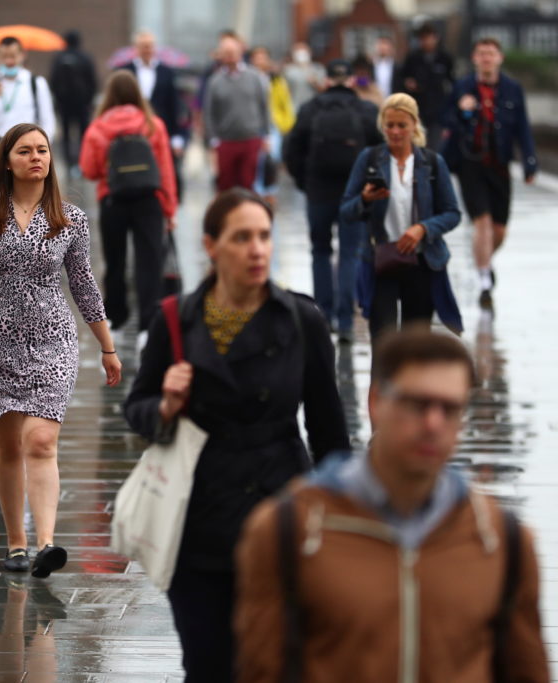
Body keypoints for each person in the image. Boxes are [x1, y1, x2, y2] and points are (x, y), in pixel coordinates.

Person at [123, 189, 349, 682]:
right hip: (199, 522)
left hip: (281, 512)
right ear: (211, 245)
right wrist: (165, 405)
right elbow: (135, 408)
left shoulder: (302, 320)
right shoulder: (175, 319)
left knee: (281, 665)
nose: (257, 249)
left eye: (265, 236)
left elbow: (330, 431)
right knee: (208, 667)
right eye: (242, 237)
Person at [236, 329, 550, 683]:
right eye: (417, 404)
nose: (433, 423)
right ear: (377, 402)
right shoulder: (291, 530)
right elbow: (261, 670)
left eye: (449, 409)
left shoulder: (499, 540)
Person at [0, 123, 121, 579]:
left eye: (42, 150)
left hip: (53, 336)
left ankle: (46, 543)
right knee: (7, 446)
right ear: (8, 160)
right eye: (24, 151)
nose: (36, 157)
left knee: (41, 439)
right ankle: (16, 542)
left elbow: (84, 284)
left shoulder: (70, 218)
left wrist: (107, 347)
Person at [340, 93, 462, 342]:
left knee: (414, 344)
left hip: (421, 262)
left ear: (414, 125)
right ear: (382, 126)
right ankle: (378, 383)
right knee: (383, 341)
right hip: (381, 261)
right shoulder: (370, 159)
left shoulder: (432, 163)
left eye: (402, 125)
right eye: (390, 125)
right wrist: (365, 200)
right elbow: (346, 211)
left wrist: (423, 228)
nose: (395, 132)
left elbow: (452, 213)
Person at [284, 59, 381, 342]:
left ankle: (323, 317)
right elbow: (379, 152)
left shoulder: (310, 109)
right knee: (350, 253)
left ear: (326, 81)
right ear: (351, 81)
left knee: (320, 251)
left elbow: (292, 151)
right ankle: (347, 320)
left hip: (318, 191)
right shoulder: (365, 110)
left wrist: (305, 182)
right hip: (355, 192)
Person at [79, 70, 178, 348]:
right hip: (149, 200)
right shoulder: (152, 124)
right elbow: (166, 171)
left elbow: (88, 169)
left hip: (113, 200)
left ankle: (117, 322)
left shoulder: (99, 127)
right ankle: (148, 327)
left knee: (115, 262)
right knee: (150, 263)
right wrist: (170, 209)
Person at [441, 37, 537, 310]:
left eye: (490, 54)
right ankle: (484, 279)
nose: (486, 58)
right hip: (470, 164)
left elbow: (523, 128)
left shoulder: (512, 89)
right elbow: (445, 119)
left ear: (499, 58)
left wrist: (529, 162)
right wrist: (462, 111)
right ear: (474, 58)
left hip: (500, 164)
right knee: (481, 222)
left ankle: (483, 260)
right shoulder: (462, 87)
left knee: (499, 229)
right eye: (481, 54)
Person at [118, 29, 188, 199]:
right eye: (143, 46)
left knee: (164, 172)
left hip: (162, 130)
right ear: (136, 48)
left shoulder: (167, 72)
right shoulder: (124, 72)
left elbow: (174, 105)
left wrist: (178, 136)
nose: (147, 50)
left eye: (150, 46)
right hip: (133, 133)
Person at [203, 35, 270, 193]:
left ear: (240, 52)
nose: (230, 56)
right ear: (220, 56)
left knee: (248, 183)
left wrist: (266, 135)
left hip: (251, 138)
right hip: (225, 141)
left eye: (233, 52)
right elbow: (209, 112)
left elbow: (263, 106)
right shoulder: (215, 81)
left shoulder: (254, 77)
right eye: (226, 52)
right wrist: (213, 139)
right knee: (226, 184)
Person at [0, 37, 56, 141]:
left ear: (22, 55)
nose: (9, 61)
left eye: (13, 56)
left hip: (27, 147)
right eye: (4, 56)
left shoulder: (37, 83)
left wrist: (40, 147)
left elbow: (47, 121)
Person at [248, 46, 295, 205]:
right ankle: (257, 192)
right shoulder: (248, 79)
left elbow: (285, 103)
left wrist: (285, 124)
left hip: (273, 125)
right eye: (257, 57)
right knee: (256, 160)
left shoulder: (276, 80)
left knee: (271, 160)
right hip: (254, 125)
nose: (260, 60)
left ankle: (270, 191)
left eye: (263, 57)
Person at [398, 22, 454, 150]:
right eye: (422, 38)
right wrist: (408, 83)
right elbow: (402, 78)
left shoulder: (444, 57)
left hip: (438, 110)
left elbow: (451, 81)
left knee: (436, 145)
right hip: (418, 108)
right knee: (418, 144)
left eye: (428, 38)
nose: (425, 42)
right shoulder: (412, 58)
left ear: (435, 38)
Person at [49, 30, 98, 174]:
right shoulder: (86, 58)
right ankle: (82, 163)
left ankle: (68, 164)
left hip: (64, 104)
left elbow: (53, 81)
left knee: (65, 134)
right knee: (84, 134)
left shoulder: (59, 58)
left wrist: (58, 100)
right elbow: (93, 81)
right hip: (83, 104)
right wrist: (89, 100)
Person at [282, 41, 326, 113]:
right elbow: (284, 92)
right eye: (298, 51)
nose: (301, 54)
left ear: (310, 52)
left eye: (304, 50)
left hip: (315, 108)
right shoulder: (288, 70)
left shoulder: (318, 68)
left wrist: (315, 83)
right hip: (295, 109)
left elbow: (324, 90)